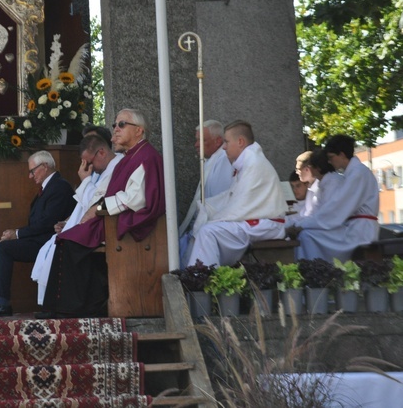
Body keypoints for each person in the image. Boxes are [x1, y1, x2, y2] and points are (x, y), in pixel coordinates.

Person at [42, 108, 166, 317]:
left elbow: (136, 198)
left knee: (71, 243)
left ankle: (73, 308)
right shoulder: (129, 157)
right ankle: (68, 306)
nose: (115, 130)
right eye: (114, 125)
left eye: (122, 125)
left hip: (131, 221)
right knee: (65, 239)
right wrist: (97, 208)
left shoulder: (146, 156)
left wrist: (99, 209)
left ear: (139, 131)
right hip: (113, 217)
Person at [0, 151, 76, 318]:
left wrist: (18, 233)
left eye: (32, 171)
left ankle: (1, 303)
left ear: (45, 166)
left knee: (3, 248)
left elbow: (47, 222)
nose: (30, 176)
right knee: (2, 246)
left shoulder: (59, 186)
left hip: (50, 242)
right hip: (40, 240)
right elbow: (37, 223)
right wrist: (15, 233)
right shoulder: (48, 187)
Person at [31, 134, 123, 308]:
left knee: (65, 244)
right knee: (58, 241)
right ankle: (55, 305)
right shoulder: (103, 170)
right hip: (93, 223)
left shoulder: (116, 167)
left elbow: (95, 204)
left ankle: (70, 305)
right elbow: (85, 206)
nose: (89, 168)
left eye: (89, 162)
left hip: (106, 226)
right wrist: (68, 222)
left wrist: (85, 180)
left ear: (101, 153)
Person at [186, 120, 286, 267]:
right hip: (257, 221)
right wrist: (207, 207)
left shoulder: (253, 163)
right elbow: (232, 196)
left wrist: (215, 218)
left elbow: (241, 205)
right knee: (207, 228)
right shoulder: (247, 162)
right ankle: (203, 275)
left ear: (240, 142)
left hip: (267, 224)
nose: (224, 147)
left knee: (208, 232)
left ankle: (202, 279)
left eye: (226, 142)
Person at [292, 134, 378, 261]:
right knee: (307, 235)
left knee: (307, 236)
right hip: (354, 228)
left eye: (331, 157)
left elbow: (337, 207)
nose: (329, 162)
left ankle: (316, 272)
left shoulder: (358, 174)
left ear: (342, 155)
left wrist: (303, 225)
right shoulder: (354, 173)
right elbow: (336, 207)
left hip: (360, 232)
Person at [178, 120, 233, 265]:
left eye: (201, 140)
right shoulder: (212, 161)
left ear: (218, 141)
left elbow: (220, 201)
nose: (196, 145)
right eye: (196, 140)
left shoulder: (224, 162)